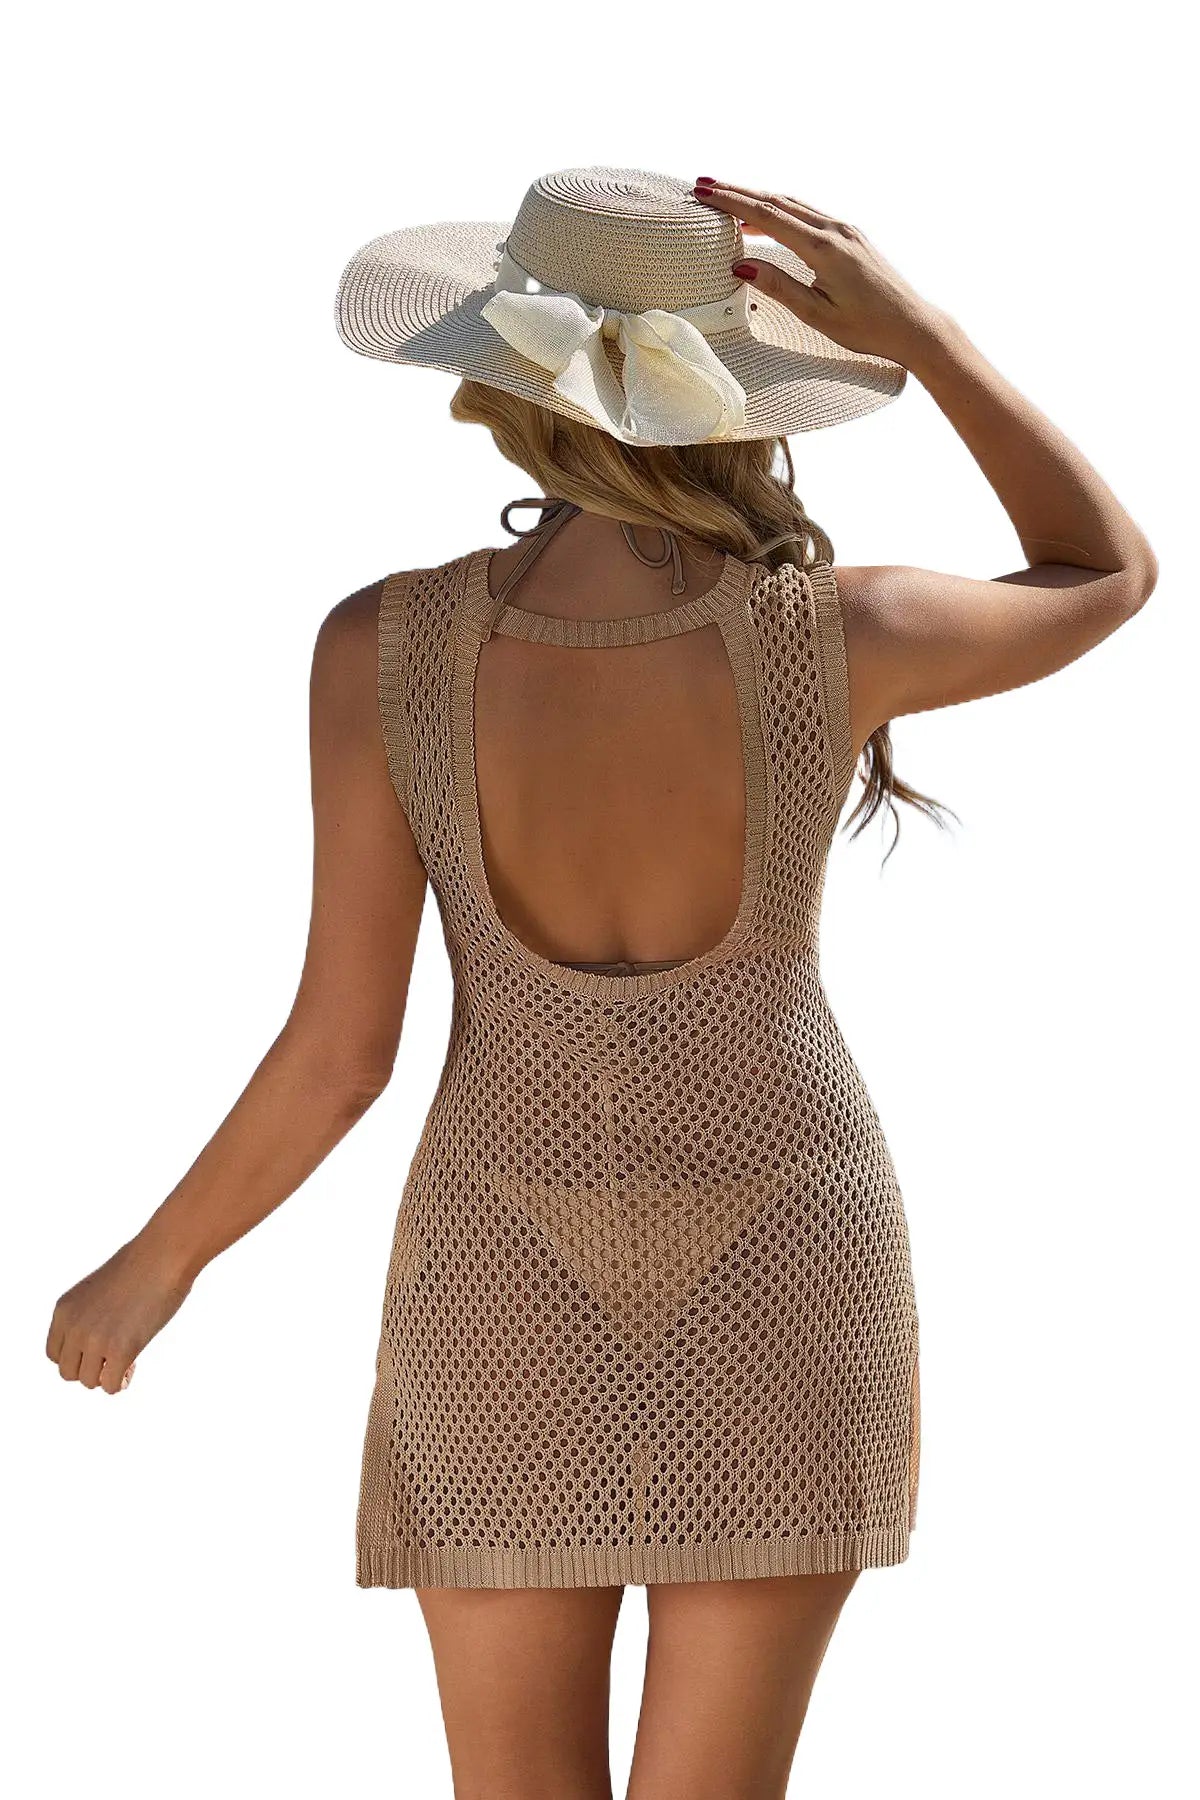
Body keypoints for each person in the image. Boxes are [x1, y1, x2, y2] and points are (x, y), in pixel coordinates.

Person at [46, 169, 1156, 1800]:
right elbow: (1105, 571)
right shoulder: (842, 630)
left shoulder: (383, 650)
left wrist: (156, 1268)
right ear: (739, 394)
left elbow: (341, 1052)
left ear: (506, 387)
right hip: (792, 1264)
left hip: (498, 1280)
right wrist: (928, 336)